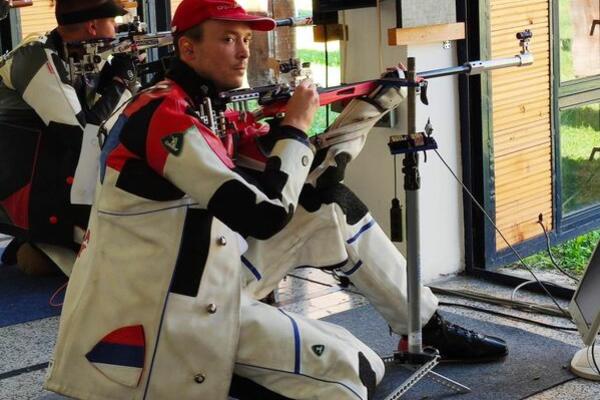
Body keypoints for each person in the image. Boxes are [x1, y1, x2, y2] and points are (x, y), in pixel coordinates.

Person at [45, 0, 507, 399]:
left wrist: (368, 107)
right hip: (164, 306)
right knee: (356, 372)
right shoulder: (166, 115)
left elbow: (306, 173)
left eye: (246, 39)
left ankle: (424, 325)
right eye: (228, 39)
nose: (244, 51)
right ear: (187, 49)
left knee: (330, 206)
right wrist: (295, 127)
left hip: (202, 268)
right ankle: (228, 371)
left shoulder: (202, 105)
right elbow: (265, 214)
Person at [0, 0, 137, 275]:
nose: (117, 29)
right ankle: (42, 242)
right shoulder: (34, 57)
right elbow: (81, 138)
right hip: (21, 179)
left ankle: (44, 242)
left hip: (40, 175)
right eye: (113, 22)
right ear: (93, 26)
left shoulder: (76, 54)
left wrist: (114, 80)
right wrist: (122, 84)